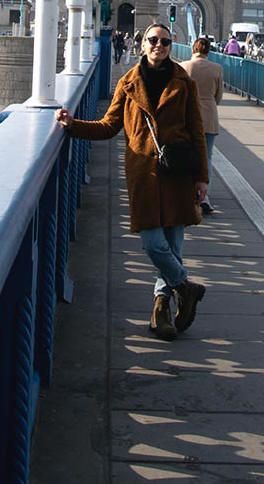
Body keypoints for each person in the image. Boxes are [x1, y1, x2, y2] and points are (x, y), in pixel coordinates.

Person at [55, 22, 209, 341]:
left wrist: (202, 178)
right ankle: (184, 286)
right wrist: (73, 125)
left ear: (171, 46)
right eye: (152, 40)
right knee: (153, 243)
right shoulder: (127, 83)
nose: (158, 45)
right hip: (144, 174)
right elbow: (109, 126)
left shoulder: (185, 82)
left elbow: (197, 132)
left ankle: (160, 311)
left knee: (174, 245)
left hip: (178, 172)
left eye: (165, 41)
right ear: (142, 44)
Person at [180, 37, 223, 214]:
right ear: (208, 51)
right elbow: (218, 96)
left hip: (187, 116)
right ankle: (205, 195)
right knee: (207, 156)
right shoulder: (217, 68)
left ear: (193, 49)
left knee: (186, 154)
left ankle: (187, 191)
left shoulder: (183, 67)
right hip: (209, 115)